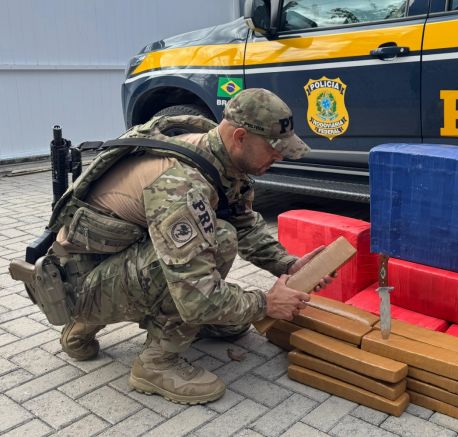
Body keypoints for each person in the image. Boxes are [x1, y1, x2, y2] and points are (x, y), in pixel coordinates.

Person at [53, 88, 333, 405]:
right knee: (220, 240)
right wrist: (265, 304)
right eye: (273, 147)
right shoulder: (181, 184)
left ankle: (90, 322)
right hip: (80, 285)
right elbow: (196, 295)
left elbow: (242, 222)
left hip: (106, 267)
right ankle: (155, 363)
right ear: (240, 136)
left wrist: (288, 265)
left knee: (223, 250)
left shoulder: (218, 154)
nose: (279, 156)